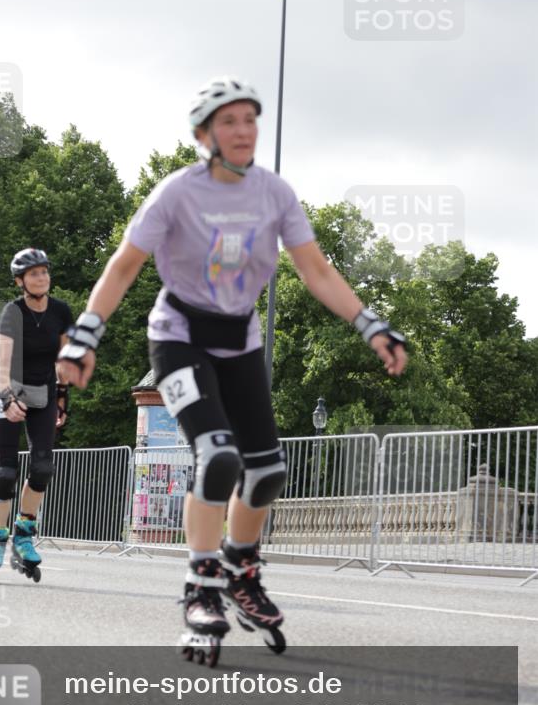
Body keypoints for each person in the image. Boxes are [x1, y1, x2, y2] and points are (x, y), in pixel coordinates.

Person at [57, 76, 407, 662]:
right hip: (179, 337)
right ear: (204, 135)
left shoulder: (275, 194)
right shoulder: (176, 193)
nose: (244, 131)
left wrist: (371, 324)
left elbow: (316, 270)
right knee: (218, 457)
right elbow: (123, 265)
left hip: (239, 341)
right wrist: (85, 335)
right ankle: (200, 584)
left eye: (250, 119)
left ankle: (241, 568)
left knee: (267, 471)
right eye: (229, 121)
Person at [0, 248, 74, 583]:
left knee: (43, 468)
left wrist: (62, 396)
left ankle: (23, 533)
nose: (42, 278)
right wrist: (8, 399)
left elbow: (63, 359)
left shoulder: (61, 311)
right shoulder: (13, 312)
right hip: (9, 389)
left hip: (43, 393)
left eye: (45, 272)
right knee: (6, 471)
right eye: (34, 273)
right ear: (20, 281)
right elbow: (1, 366)